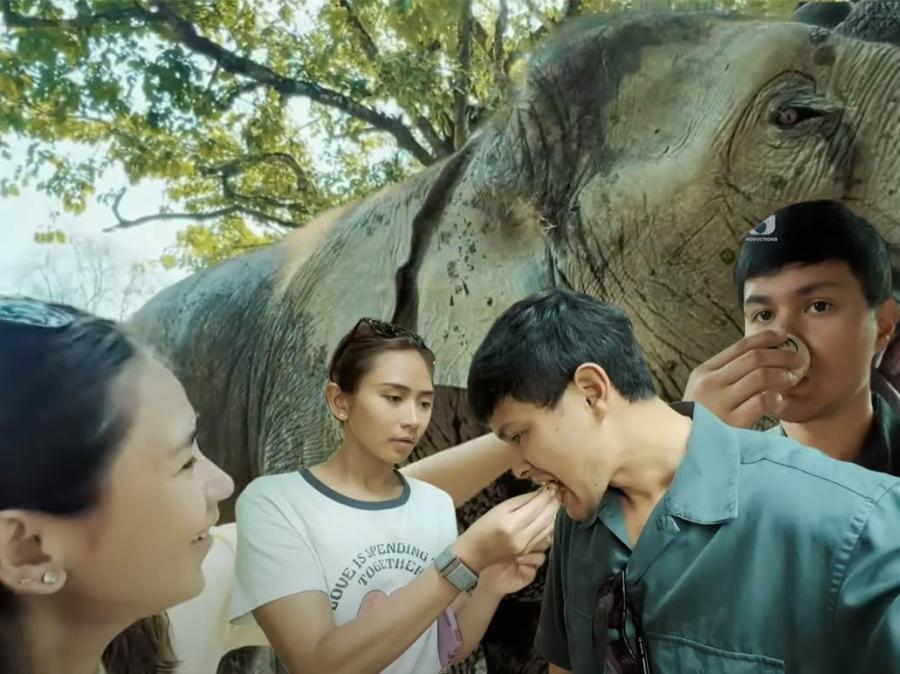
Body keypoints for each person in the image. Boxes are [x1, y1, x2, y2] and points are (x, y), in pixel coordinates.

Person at [467, 287, 900, 673]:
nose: (517, 467)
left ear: (591, 391)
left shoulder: (856, 521)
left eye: (519, 435)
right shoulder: (576, 523)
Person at [229, 317, 558, 674]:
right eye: (394, 398)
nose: (413, 419)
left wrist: (491, 584)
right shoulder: (275, 504)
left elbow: (445, 648)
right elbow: (317, 664)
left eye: (424, 403)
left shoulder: (434, 503)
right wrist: (465, 558)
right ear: (339, 401)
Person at [0, 297, 234, 674]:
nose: (224, 484)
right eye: (185, 462)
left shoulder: (168, 617)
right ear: (28, 549)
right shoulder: (179, 627)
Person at [684, 200, 900, 472]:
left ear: (883, 325)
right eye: (764, 315)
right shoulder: (720, 469)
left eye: (818, 306)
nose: (784, 340)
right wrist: (685, 457)